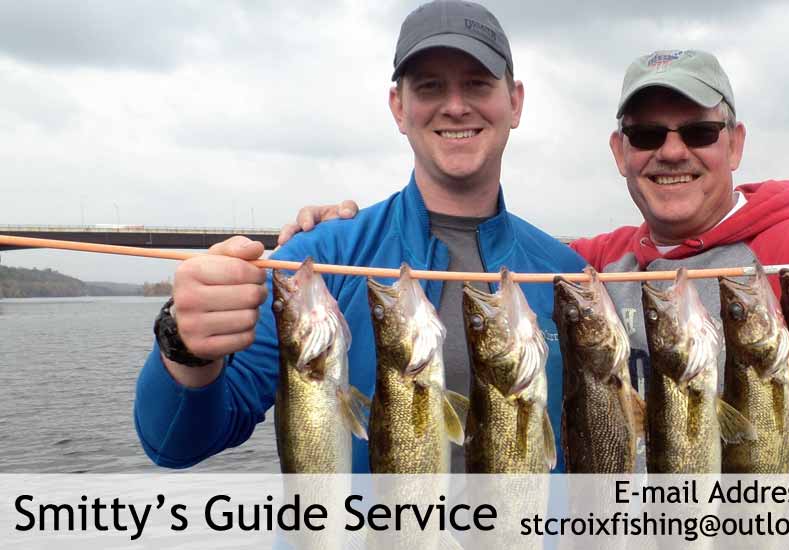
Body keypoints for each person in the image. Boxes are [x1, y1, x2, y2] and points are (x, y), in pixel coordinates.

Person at [283, 48, 789, 471]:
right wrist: (335, 236)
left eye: (697, 129)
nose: (671, 149)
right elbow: (483, 261)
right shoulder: (590, 267)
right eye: (644, 131)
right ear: (619, 152)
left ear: (735, 143)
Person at [135, 0, 585, 474]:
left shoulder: (570, 278)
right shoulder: (319, 260)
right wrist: (183, 346)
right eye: (430, 86)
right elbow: (176, 444)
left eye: (477, 83)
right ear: (399, 107)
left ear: (515, 102)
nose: (455, 106)